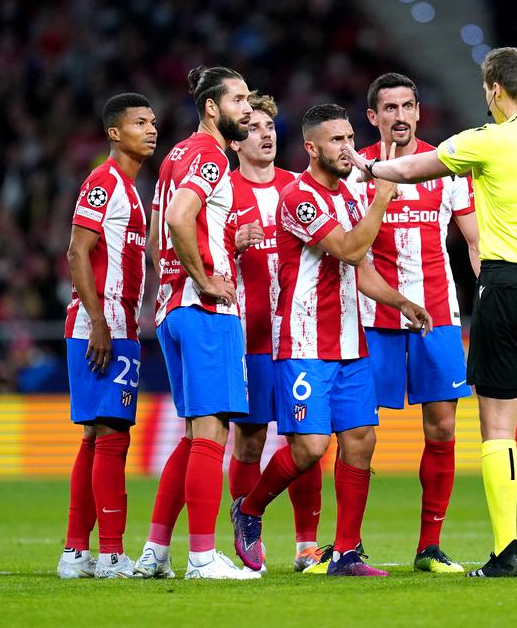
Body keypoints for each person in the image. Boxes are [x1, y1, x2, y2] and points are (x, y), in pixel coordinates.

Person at [343, 47, 517, 578]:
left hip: (507, 285)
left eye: (486, 90)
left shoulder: (485, 142)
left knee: (497, 423)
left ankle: (506, 552)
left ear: (495, 90)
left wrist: (368, 166)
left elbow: (413, 167)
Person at [230, 103, 432, 577]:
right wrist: (384, 195)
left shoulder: (348, 197)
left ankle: (345, 554)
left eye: (349, 137)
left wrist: (402, 302)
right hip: (303, 342)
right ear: (312, 147)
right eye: (337, 141)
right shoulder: (300, 198)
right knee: (311, 448)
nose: (348, 148)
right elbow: (349, 247)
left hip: (350, 343)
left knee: (361, 440)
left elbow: (361, 271)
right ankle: (251, 508)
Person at [348, 72, 480, 574]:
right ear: (373, 116)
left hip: (438, 316)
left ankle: (429, 547)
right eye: (390, 108)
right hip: (371, 315)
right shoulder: (355, 169)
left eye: (408, 106)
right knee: (358, 434)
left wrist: (487, 288)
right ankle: (348, 546)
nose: (400, 116)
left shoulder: (446, 168)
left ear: (419, 112)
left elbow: (472, 238)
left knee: (443, 427)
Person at [133, 66, 259, 581]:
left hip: (172, 310)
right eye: (239, 100)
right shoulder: (209, 156)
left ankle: (155, 552)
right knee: (211, 434)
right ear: (212, 108)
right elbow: (183, 218)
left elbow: (158, 239)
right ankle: (203, 558)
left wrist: (226, 240)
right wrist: (207, 278)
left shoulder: (176, 156)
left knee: (191, 438)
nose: (248, 109)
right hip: (205, 310)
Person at [57, 92, 157, 579]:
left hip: (114, 326)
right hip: (102, 327)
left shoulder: (132, 189)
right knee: (111, 435)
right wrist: (98, 322)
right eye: (140, 122)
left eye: (153, 122)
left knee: (95, 436)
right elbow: (77, 251)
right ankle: (112, 553)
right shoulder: (104, 180)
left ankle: (77, 553)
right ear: (115, 133)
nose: (151, 129)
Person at [225, 93, 326, 572]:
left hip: (298, 336)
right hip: (246, 337)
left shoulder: (297, 187)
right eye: (253, 128)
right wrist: (229, 244)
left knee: (304, 440)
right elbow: (195, 256)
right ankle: (249, 531)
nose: (265, 135)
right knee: (248, 439)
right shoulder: (223, 191)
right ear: (236, 139)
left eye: (270, 126)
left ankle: (308, 545)